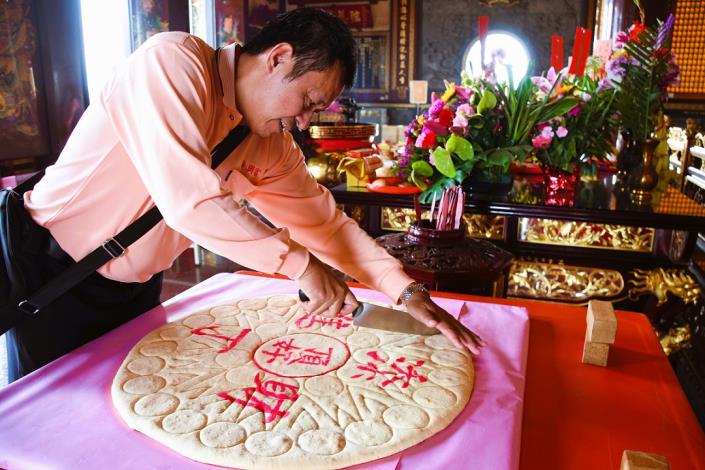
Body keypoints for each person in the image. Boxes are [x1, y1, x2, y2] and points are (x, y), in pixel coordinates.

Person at [6, 8, 483, 382]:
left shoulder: (271, 145)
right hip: (50, 270)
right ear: (278, 58)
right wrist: (302, 267)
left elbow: (324, 225)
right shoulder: (173, 64)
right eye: (308, 102)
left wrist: (405, 290)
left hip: (134, 291)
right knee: (52, 425)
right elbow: (188, 199)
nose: (305, 123)